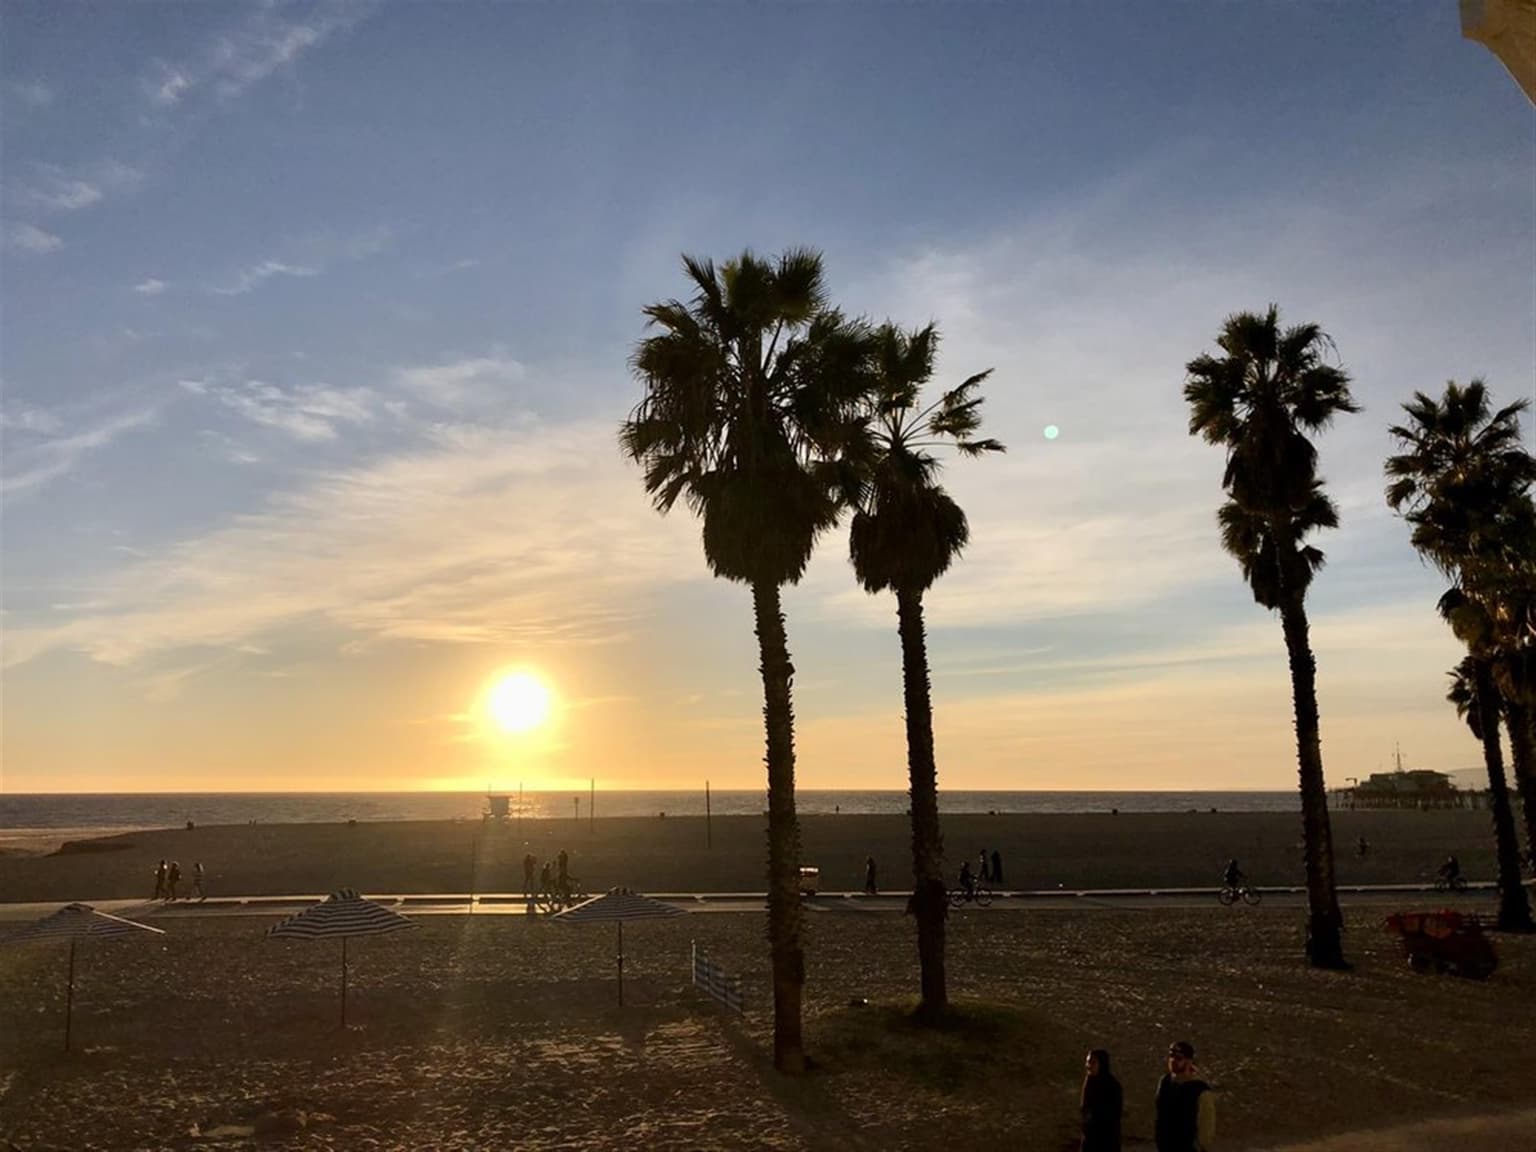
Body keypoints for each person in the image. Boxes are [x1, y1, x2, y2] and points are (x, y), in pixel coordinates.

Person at [1155, 1040, 1214, 1152]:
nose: (1173, 1061)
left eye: (1178, 1058)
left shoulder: (1200, 1090)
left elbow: (1206, 1125)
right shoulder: (1165, 1082)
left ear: (1188, 1061)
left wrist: (1199, 1146)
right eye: (1171, 1056)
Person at [1080, 1048, 1122, 1152]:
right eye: (1088, 1062)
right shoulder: (1089, 1082)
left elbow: (1112, 1117)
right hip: (1090, 1140)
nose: (1088, 1065)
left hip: (1106, 1142)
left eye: (1092, 1062)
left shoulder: (1113, 1086)